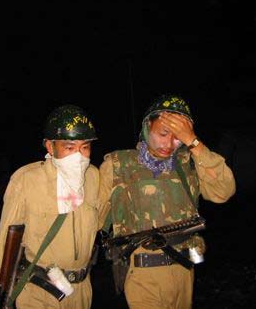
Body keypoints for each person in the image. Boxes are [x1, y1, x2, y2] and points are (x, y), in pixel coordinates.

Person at [98, 94, 236, 309]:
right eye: (163, 133)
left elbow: (223, 192)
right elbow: (93, 217)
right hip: (143, 272)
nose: (170, 144)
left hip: (184, 270)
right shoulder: (118, 165)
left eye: (178, 137)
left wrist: (195, 144)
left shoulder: (190, 163)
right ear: (147, 126)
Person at [0, 105, 103, 309]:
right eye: (69, 147)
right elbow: (6, 240)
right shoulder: (27, 180)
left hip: (81, 291)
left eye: (85, 147)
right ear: (50, 146)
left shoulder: (92, 176)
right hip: (39, 291)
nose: (79, 156)